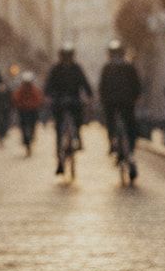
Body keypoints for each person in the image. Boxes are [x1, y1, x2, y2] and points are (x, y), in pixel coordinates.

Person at [44, 43, 93, 174]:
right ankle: (60, 160)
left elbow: (84, 83)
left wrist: (89, 95)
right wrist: (48, 96)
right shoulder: (56, 69)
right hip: (59, 101)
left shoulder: (77, 68)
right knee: (59, 131)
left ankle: (77, 137)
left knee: (78, 120)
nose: (66, 59)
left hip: (74, 100)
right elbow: (48, 84)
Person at [99, 40, 141, 176]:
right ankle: (131, 149)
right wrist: (135, 97)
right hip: (127, 101)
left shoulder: (107, 67)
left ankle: (113, 143)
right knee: (130, 125)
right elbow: (137, 85)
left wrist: (103, 99)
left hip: (112, 102)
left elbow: (102, 86)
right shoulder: (129, 66)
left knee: (110, 122)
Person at [11, 71, 43, 155]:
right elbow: (16, 98)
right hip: (23, 110)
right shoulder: (21, 90)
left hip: (32, 110)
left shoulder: (34, 89)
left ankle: (31, 137)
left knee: (33, 124)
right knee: (23, 125)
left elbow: (38, 98)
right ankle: (25, 139)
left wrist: (35, 105)